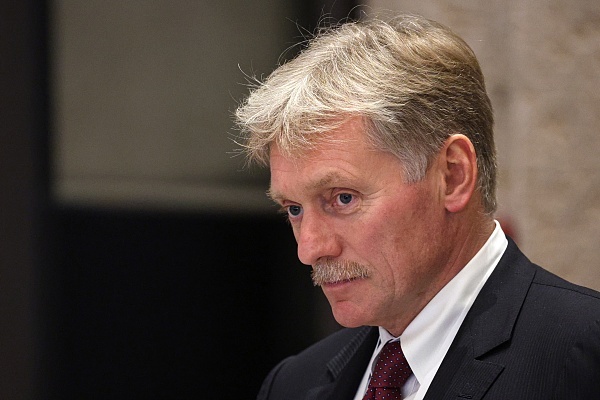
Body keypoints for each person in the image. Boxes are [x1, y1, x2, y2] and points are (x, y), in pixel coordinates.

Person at [234, 13, 600, 400]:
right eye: (294, 209)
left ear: (453, 176)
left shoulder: (582, 357)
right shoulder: (292, 385)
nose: (309, 249)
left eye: (343, 198)